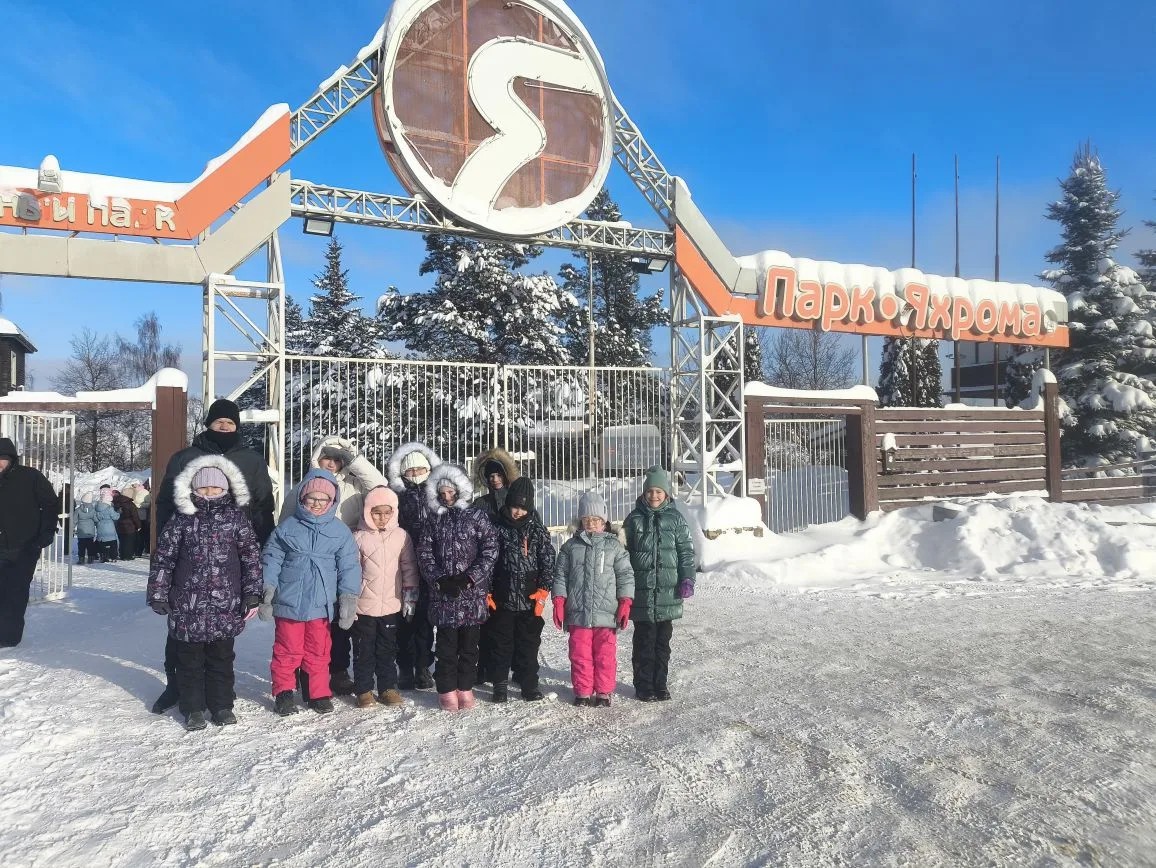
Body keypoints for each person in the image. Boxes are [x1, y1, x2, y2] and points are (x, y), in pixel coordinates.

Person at [150, 398, 275, 715]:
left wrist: (262, 547)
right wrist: (166, 544)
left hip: (229, 555)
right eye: (219, 421)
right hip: (188, 556)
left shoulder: (251, 459)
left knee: (221, 638)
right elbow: (165, 502)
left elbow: (263, 505)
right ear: (208, 423)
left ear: (237, 426)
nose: (224, 426)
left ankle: (218, 695)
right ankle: (176, 687)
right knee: (181, 633)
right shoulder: (185, 457)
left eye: (230, 422)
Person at [146, 456, 263, 731]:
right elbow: (164, 558)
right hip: (188, 606)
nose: (210, 493)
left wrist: (252, 593)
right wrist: (158, 593)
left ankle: (221, 705)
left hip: (225, 605)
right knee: (190, 662)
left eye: (215, 488)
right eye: (203, 488)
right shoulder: (182, 519)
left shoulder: (236, 519)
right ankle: (193, 708)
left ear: (226, 489)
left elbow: (251, 558)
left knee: (221, 660)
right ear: (193, 489)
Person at [281, 435, 388, 698]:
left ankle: (338, 671)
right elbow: (285, 528)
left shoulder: (354, 485)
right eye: (326, 457)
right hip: (310, 562)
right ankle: (302, 670)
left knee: (341, 618)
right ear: (316, 458)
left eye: (338, 459)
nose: (331, 463)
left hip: (345, 557)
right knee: (309, 618)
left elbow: (381, 486)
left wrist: (355, 460)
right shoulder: (303, 488)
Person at [259, 469, 360, 717]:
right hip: (289, 600)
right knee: (287, 649)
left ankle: (317, 692)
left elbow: (349, 566)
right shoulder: (287, 527)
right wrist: (267, 589)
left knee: (319, 650)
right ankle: (284, 691)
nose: (317, 503)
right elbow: (271, 558)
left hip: (321, 603)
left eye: (323, 499)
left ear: (332, 501)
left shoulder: (340, 532)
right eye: (312, 498)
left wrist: (348, 597)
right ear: (302, 498)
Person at [416, 463, 498, 712]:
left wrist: (469, 578)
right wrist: (439, 579)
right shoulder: (433, 519)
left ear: (461, 490)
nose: (447, 497)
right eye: (442, 493)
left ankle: (465, 686)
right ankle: (446, 689)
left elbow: (490, 550)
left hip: (471, 595)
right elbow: (424, 553)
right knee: (446, 648)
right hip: (444, 597)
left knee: (469, 648)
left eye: (451, 492)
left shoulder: (477, 517)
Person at [553, 490, 634, 707]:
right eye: (587, 519)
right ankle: (582, 691)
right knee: (579, 653)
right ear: (580, 521)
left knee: (605, 655)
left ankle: (604, 692)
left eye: (596, 519)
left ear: (604, 522)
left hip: (606, 614)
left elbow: (626, 575)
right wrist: (559, 600)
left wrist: (625, 601)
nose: (591, 524)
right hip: (578, 612)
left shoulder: (614, 546)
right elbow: (560, 575)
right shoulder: (570, 547)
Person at [623, 466, 695, 702]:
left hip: (667, 593)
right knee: (644, 642)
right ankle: (643, 685)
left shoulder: (676, 520)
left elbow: (686, 552)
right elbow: (622, 553)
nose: (654, 496)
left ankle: (660, 684)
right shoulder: (634, 519)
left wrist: (687, 578)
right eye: (650, 491)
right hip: (642, 594)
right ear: (644, 493)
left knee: (662, 643)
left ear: (666, 494)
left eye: (659, 491)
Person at [487, 477, 554, 703]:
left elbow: (547, 561)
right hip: (503, 598)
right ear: (508, 504)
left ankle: (529, 683)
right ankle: (499, 684)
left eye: (523, 508)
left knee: (529, 645)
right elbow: (488, 562)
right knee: (501, 644)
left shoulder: (536, 530)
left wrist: (543, 589)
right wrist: (487, 590)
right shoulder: (497, 528)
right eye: (515, 506)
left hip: (529, 599)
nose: (518, 512)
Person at [351, 486, 419, 709]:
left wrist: (410, 596)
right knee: (364, 650)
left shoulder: (401, 536)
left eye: (387, 513)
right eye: (376, 513)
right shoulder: (358, 537)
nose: (382, 518)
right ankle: (363, 689)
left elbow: (409, 567)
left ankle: (387, 687)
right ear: (367, 512)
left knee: (387, 648)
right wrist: (349, 600)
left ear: (394, 512)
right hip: (363, 606)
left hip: (391, 603)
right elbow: (351, 571)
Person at [386, 441, 441, 691]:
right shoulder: (395, 495)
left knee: (425, 620)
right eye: (410, 471)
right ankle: (405, 667)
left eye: (420, 469)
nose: (416, 474)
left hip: (430, 565)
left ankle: (423, 666)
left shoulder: (437, 494)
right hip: (402, 565)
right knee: (404, 619)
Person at [470, 446, 526, 684]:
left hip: (512, 568)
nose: (494, 479)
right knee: (486, 621)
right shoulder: (480, 503)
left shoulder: (518, 502)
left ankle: (519, 667)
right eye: (490, 475)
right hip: (487, 568)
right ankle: (484, 667)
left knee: (515, 622)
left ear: (506, 475)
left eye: (498, 474)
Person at [0, 437, 59, 647]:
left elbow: (51, 504)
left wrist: (45, 534)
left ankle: (8, 637)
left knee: (15, 592)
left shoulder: (30, 477)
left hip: (24, 547)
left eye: (2, 458)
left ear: (11, 459)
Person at [113, 484, 142, 561]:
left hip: (119, 524)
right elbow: (135, 516)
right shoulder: (130, 504)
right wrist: (138, 525)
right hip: (129, 525)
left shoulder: (116, 502)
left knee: (122, 540)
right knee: (129, 541)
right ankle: (128, 556)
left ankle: (122, 554)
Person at [94, 487, 120, 563]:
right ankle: (113, 556)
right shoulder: (109, 508)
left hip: (100, 526)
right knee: (113, 542)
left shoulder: (97, 507)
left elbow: (95, 518)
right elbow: (115, 517)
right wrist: (119, 513)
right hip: (109, 527)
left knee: (102, 543)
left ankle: (103, 556)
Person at [73, 493, 98, 565]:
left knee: (81, 546)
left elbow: (74, 520)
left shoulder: (78, 510)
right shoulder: (93, 510)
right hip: (90, 532)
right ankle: (90, 558)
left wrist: (72, 528)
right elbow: (96, 520)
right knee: (90, 545)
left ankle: (81, 559)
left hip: (81, 531)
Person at [134, 482, 151, 556]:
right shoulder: (134, 492)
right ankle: (138, 550)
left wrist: (139, 505)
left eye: (136, 486)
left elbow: (149, 504)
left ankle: (144, 549)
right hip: (135, 516)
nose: (135, 487)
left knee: (143, 534)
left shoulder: (145, 493)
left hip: (143, 516)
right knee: (138, 535)